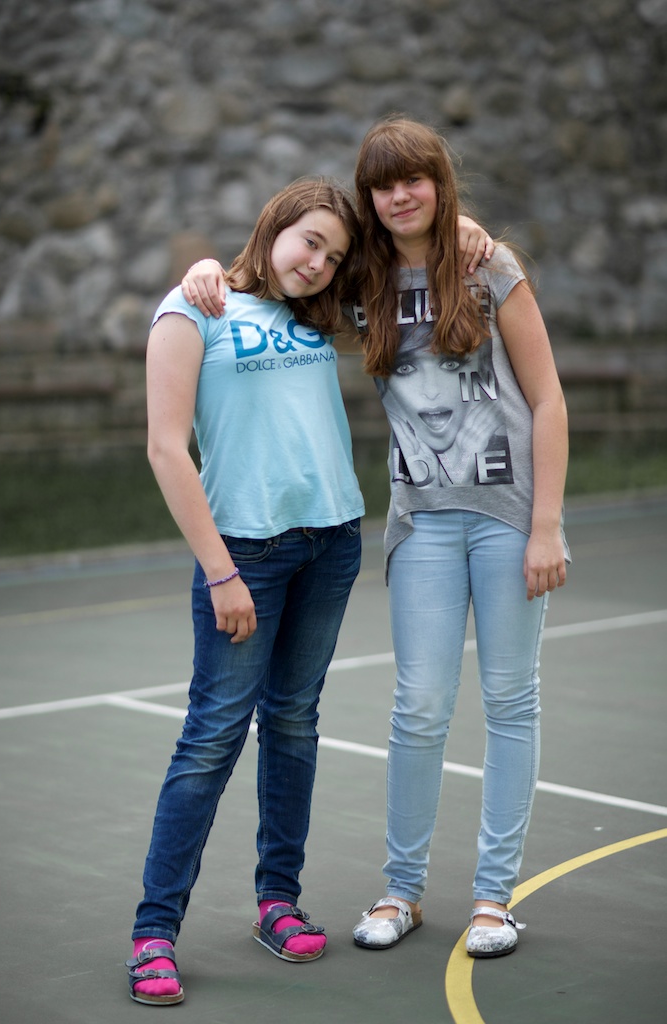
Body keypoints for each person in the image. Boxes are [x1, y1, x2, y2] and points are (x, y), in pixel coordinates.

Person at [182, 115, 569, 961]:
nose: (399, 196)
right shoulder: (360, 281)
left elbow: (547, 398)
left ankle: (494, 900)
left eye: (414, 179)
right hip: (421, 523)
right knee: (419, 706)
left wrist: (547, 526)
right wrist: (205, 269)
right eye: (383, 184)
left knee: (510, 702)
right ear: (369, 197)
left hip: (509, 519)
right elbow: (272, 280)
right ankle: (402, 891)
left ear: (439, 183)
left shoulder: (489, 266)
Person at [126, 177, 366, 1007]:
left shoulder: (317, 314)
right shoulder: (193, 308)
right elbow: (166, 449)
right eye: (310, 241)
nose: (319, 262)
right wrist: (221, 572)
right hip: (245, 555)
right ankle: (153, 934)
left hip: (332, 541)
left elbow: (417, 259)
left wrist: (467, 227)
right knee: (212, 738)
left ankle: (278, 903)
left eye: (334, 255)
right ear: (274, 227)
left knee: (294, 723)